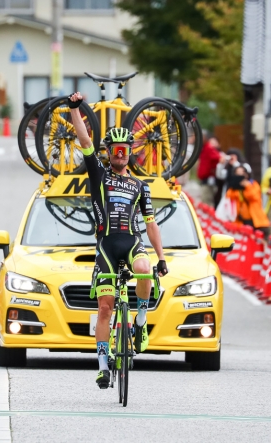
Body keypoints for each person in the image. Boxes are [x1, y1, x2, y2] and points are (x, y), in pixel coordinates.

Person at [67, 92, 168, 390]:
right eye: (115, 149)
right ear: (109, 152)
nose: (120, 153)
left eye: (124, 149)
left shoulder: (140, 185)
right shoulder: (98, 174)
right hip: (106, 247)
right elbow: (85, 141)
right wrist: (75, 109)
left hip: (131, 241)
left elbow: (151, 224)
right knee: (105, 308)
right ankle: (102, 366)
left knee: (144, 266)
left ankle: (140, 320)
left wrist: (162, 258)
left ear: (130, 153)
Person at [197, 134, 222, 205]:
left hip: (209, 179)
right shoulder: (206, 149)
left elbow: (218, 158)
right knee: (206, 199)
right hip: (206, 179)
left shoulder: (209, 149)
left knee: (207, 200)